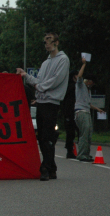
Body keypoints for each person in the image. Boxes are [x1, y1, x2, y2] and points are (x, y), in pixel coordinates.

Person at [16, 32, 70, 181]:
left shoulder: (63, 60)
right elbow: (38, 81)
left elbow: (56, 80)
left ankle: (45, 168)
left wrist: (39, 87)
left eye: (49, 40)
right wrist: (25, 75)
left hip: (51, 102)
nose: (47, 43)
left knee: (46, 136)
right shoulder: (45, 63)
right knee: (43, 137)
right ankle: (52, 168)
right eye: (45, 41)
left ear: (56, 42)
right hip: (41, 102)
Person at [73, 57, 105, 162]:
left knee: (88, 133)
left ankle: (86, 154)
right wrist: (84, 64)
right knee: (84, 133)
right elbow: (80, 76)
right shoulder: (80, 85)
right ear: (89, 81)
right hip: (81, 112)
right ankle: (81, 154)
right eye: (93, 82)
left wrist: (97, 109)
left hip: (86, 112)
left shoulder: (88, 90)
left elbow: (88, 104)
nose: (93, 84)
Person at [62, 70, 79, 159]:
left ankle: (71, 149)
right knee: (71, 132)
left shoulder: (72, 87)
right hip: (69, 112)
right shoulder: (71, 87)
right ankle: (69, 150)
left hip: (72, 111)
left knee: (73, 131)